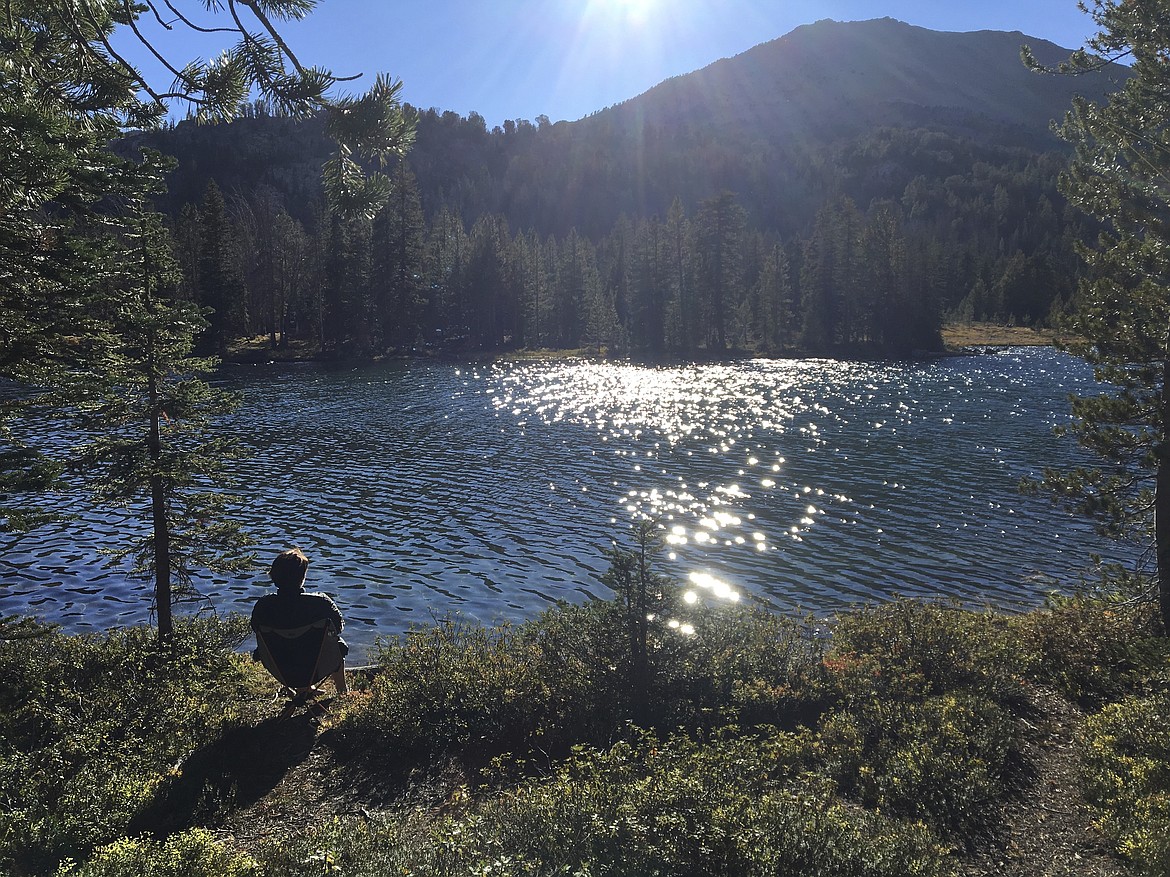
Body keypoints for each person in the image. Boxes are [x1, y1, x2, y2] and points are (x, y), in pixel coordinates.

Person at [251, 547, 349, 696]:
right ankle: (342, 692)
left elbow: (255, 629)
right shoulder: (320, 602)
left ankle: (304, 689)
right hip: (315, 666)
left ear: (274, 576)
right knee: (337, 642)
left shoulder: (263, 606)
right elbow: (339, 627)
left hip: (281, 668)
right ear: (302, 577)